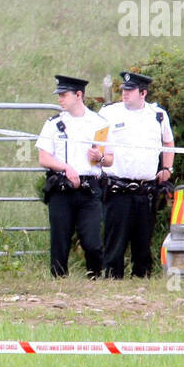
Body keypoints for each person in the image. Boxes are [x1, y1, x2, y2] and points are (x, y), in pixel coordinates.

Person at [98, 72, 173, 278]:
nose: (125, 94)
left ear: (143, 93)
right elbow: (98, 142)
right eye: (123, 90)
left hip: (145, 189)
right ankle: (113, 277)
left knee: (143, 240)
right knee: (115, 239)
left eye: (130, 91)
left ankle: (142, 277)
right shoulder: (109, 113)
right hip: (117, 187)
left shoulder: (157, 115)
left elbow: (168, 142)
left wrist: (167, 168)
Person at [37, 75, 111, 277]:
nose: (60, 99)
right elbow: (43, 157)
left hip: (89, 188)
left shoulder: (98, 123)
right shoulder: (54, 123)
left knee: (93, 242)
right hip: (62, 187)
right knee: (60, 239)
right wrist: (65, 168)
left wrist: (101, 157)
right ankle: (59, 281)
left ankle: (94, 277)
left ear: (78, 95)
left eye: (63, 95)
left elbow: (110, 159)